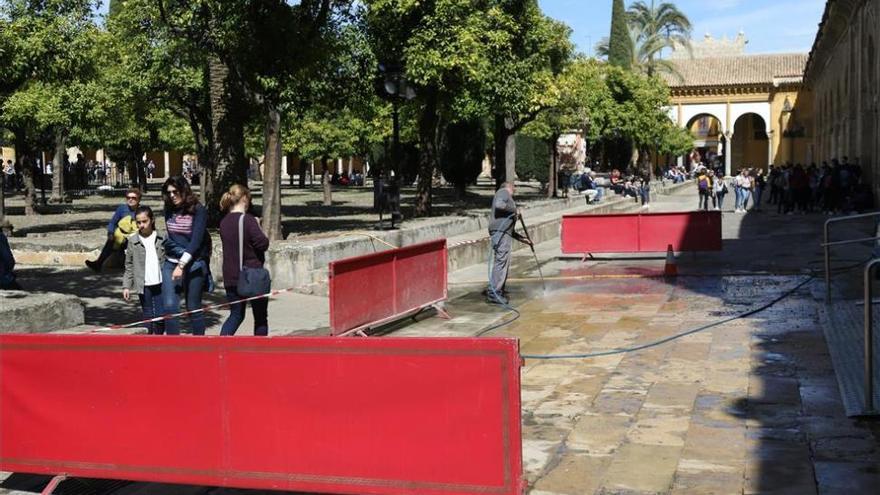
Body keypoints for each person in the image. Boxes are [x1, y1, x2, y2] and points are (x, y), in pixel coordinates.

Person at [161, 176, 212, 335]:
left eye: (175, 192)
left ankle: (199, 346)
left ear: (184, 190)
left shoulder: (198, 210)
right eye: (168, 192)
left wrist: (181, 265)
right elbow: (172, 238)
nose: (172, 196)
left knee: (193, 307)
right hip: (171, 262)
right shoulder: (168, 208)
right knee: (170, 306)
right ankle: (173, 345)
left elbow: (196, 241)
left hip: (193, 263)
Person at [219, 185, 271, 336]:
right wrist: (258, 225)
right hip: (252, 275)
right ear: (244, 199)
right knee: (260, 318)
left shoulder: (224, 222)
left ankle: (222, 347)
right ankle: (259, 353)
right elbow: (263, 244)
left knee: (236, 315)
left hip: (231, 276)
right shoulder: (248, 221)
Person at [122, 206, 165, 334]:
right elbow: (129, 265)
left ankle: (159, 338)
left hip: (161, 282)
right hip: (143, 284)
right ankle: (148, 340)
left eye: (144, 221)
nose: (141, 225)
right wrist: (126, 286)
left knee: (161, 315)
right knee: (147, 314)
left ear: (152, 220)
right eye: (138, 222)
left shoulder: (162, 237)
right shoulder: (133, 241)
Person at [487, 182, 532, 305]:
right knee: (501, 261)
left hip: (503, 233)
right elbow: (499, 205)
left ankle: (497, 290)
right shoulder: (503, 192)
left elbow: (509, 228)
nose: (514, 191)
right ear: (510, 187)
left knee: (502, 261)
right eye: (514, 189)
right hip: (500, 232)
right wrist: (515, 210)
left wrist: (523, 239)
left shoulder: (506, 196)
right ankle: (494, 292)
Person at [85, 188, 141, 272]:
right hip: (122, 236)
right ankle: (98, 264)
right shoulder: (122, 209)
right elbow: (112, 222)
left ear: (139, 199)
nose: (130, 200)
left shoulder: (143, 210)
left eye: (133, 198)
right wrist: (110, 233)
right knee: (112, 240)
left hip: (136, 236)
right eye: (128, 198)